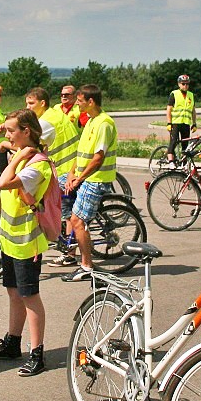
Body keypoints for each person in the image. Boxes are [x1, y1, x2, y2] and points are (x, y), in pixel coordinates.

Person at [0, 109, 52, 376]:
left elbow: (6, 182)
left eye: (11, 130)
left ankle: (37, 353)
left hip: (27, 242)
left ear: (27, 131)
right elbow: (7, 189)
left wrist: (20, 155)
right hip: (10, 238)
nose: (7, 135)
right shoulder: (22, 157)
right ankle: (13, 342)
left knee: (29, 296)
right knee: (13, 291)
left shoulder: (37, 164)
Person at [62, 84, 118, 282]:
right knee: (58, 193)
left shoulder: (104, 123)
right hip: (83, 175)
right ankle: (67, 245)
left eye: (80, 101)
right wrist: (70, 174)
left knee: (78, 221)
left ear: (91, 101)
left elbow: (98, 158)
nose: (77, 105)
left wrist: (80, 178)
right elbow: (81, 153)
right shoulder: (91, 121)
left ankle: (86, 266)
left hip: (96, 179)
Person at [24, 87, 82, 267]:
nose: (28, 107)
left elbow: (31, 147)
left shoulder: (45, 122)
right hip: (70, 165)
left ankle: (70, 254)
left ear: (42, 103)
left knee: (66, 212)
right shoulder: (53, 114)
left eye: (31, 103)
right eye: (26, 103)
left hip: (66, 169)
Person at [166, 74, 197, 164]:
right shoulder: (174, 94)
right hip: (175, 123)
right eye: (183, 84)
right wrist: (169, 123)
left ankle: (184, 164)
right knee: (173, 142)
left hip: (186, 124)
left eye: (187, 84)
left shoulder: (191, 95)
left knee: (185, 146)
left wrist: (194, 123)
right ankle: (171, 161)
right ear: (179, 84)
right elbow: (169, 109)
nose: (185, 86)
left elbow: (193, 111)